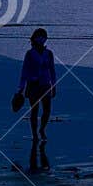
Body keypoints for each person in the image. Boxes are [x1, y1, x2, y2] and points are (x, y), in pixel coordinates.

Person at [16, 28, 58, 165]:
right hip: (33, 85)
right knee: (34, 111)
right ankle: (34, 133)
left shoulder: (49, 53)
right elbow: (24, 71)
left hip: (46, 85)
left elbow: (52, 70)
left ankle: (42, 129)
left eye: (43, 36)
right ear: (34, 38)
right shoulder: (30, 54)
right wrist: (20, 89)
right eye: (39, 36)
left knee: (47, 110)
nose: (41, 38)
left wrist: (54, 85)